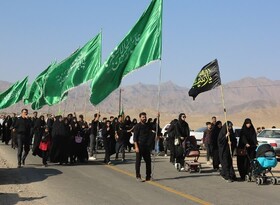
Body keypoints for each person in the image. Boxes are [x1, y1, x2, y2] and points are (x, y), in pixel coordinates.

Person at [133, 112, 153, 182]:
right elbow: (135, 138)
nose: (144, 118)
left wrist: (158, 117)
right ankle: (138, 176)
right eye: (143, 117)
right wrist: (136, 147)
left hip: (146, 146)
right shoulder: (137, 126)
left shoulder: (147, 125)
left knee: (148, 161)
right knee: (138, 162)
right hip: (139, 146)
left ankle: (148, 176)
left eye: (145, 117)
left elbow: (155, 126)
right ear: (140, 118)